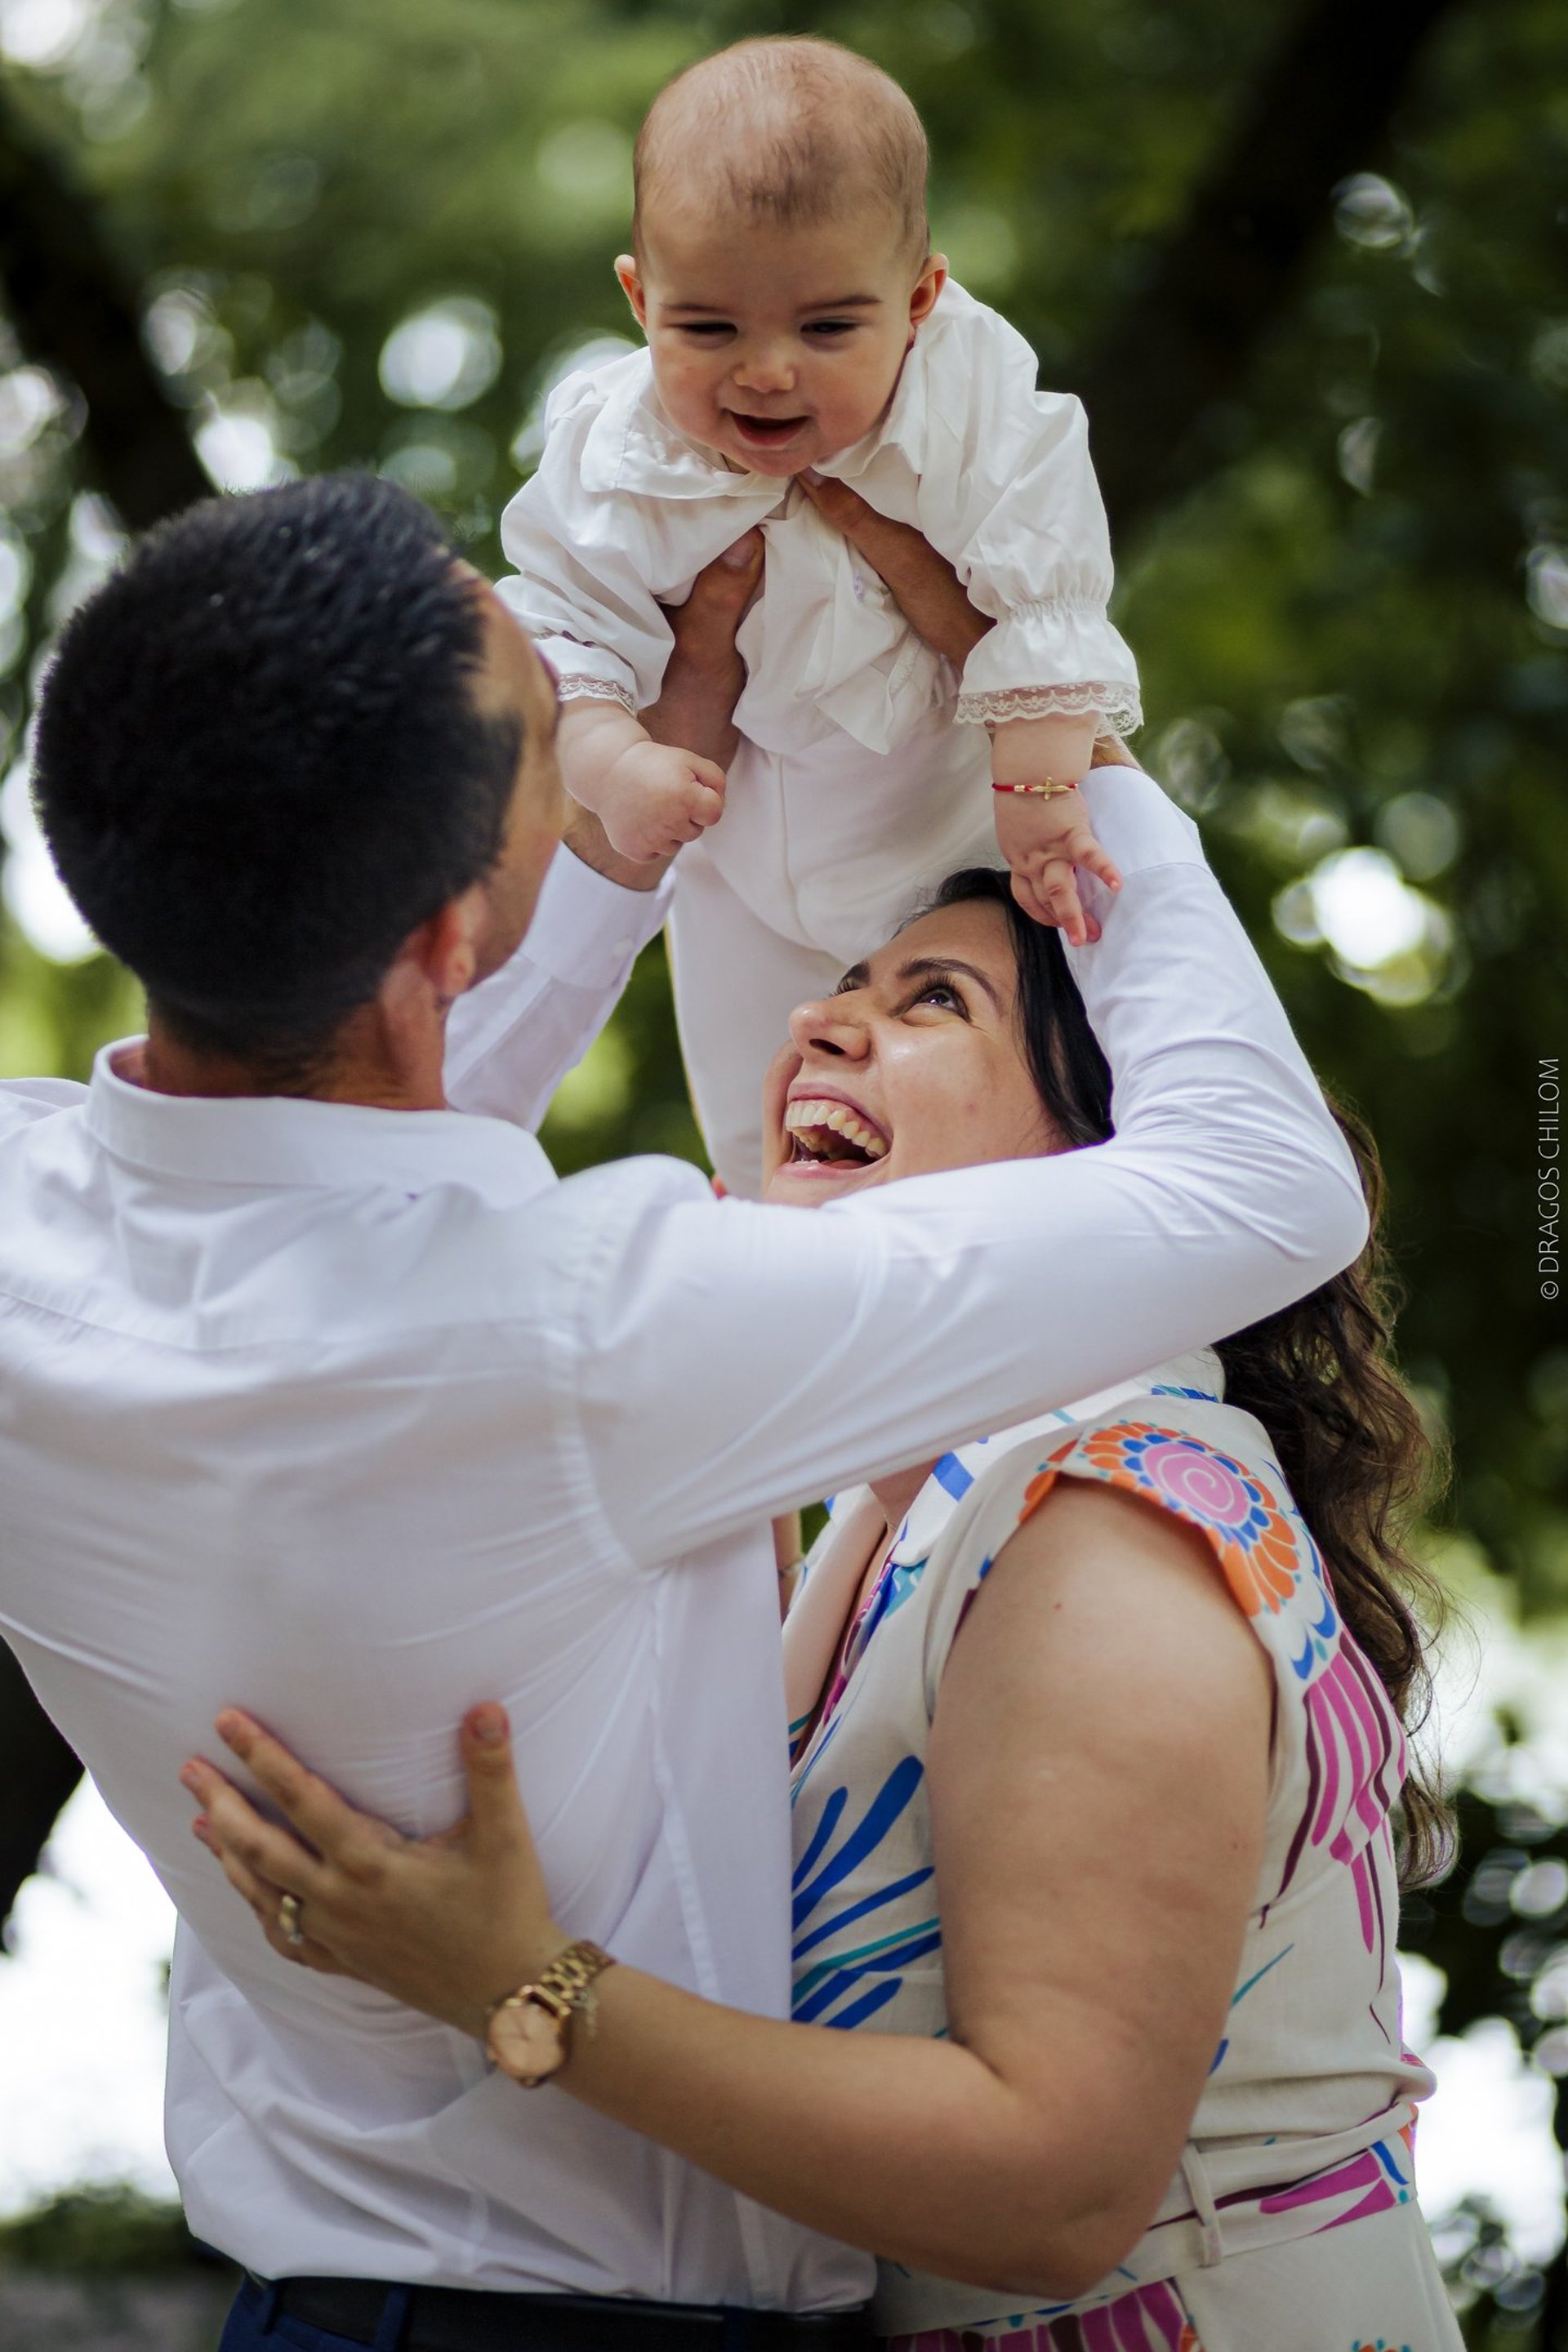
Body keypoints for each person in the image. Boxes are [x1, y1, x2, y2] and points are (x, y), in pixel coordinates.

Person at [0, 469, 1363, 2352]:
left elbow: (342, 1153)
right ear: (443, 942)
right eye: (556, 724)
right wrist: (1049, 725)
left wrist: (608, 863)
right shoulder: (599, 1334)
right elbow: (1269, 1192)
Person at [185, 878, 1461, 2351]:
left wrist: (512, 1986)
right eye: (852, 980)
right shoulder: (899, 1514)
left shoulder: (1108, 1529)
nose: (818, 1021)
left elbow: (1054, 2187)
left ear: (1111, 1166)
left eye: (934, 1000)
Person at [503, 35, 1138, 1194]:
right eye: (709, 331)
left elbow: (1047, 599)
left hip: (948, 845)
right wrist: (611, 762)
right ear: (640, 299)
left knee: (1003, 1114)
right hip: (731, 852)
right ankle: (764, 1253)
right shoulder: (615, 444)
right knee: (763, 1126)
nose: (767, 374)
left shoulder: (972, 406)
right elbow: (564, 630)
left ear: (920, 300)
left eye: (829, 330)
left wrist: (1044, 789)